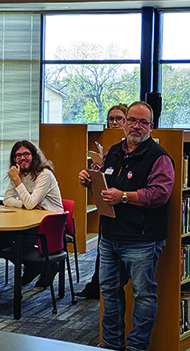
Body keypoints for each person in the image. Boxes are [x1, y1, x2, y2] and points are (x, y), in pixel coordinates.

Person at [77, 100, 175, 351]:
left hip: (142, 239)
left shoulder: (160, 158)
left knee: (143, 294)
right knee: (109, 290)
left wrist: (123, 196)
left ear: (151, 126)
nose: (136, 126)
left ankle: (137, 349)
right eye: (131, 120)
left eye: (143, 122)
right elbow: (106, 183)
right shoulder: (114, 151)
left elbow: (159, 194)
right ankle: (111, 343)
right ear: (124, 122)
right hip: (110, 235)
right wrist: (90, 179)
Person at [77, 104, 128, 299]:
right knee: (104, 252)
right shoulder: (111, 147)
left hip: (126, 214)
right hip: (107, 209)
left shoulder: (126, 147)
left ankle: (98, 286)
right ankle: (96, 286)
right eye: (111, 119)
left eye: (119, 118)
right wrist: (91, 178)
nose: (114, 122)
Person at [3, 140, 64, 287]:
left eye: (26, 154)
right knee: (1, 240)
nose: (22, 158)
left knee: (16, 239)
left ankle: (37, 266)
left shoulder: (44, 174)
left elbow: (30, 204)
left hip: (51, 224)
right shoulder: (20, 174)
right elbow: (7, 199)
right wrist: (23, 203)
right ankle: (36, 266)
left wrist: (17, 180)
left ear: (34, 156)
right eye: (18, 155)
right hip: (32, 221)